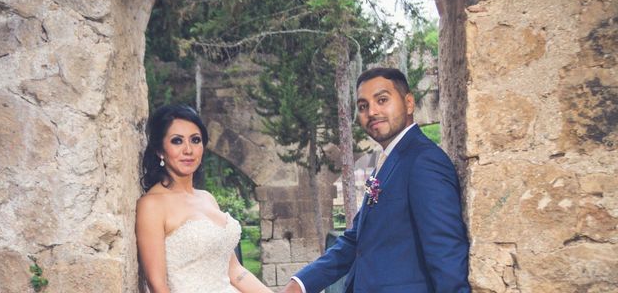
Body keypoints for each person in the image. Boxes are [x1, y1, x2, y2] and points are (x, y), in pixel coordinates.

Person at [281, 67, 471, 293]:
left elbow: (446, 254)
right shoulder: (389, 162)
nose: (372, 111)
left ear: (409, 103)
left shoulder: (424, 161)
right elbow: (355, 241)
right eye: (363, 106)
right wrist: (301, 284)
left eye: (382, 100)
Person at [136, 104, 272, 293]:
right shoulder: (152, 205)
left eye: (195, 140)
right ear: (160, 150)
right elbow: (157, 285)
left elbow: (235, 271)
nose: (188, 150)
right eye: (177, 141)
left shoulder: (207, 198)